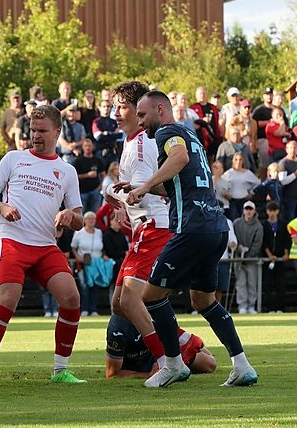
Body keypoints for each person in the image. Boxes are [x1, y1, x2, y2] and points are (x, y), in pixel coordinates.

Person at [121, 90, 256, 389]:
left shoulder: (167, 132)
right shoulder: (190, 135)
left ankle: (173, 364)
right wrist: (137, 185)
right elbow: (176, 187)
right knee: (203, 300)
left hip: (191, 228)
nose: (140, 122)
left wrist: (143, 187)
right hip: (215, 227)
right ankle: (242, 365)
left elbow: (178, 159)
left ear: (160, 109)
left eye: (142, 115)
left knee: (150, 297)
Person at [0, 104, 86, 389]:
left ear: (57, 131)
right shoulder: (13, 158)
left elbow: (79, 220)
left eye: (42, 131)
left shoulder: (66, 171)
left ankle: (60, 369)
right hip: (13, 241)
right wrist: (2, 207)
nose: (35, 136)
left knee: (71, 298)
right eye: (32, 130)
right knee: (8, 298)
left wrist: (70, 216)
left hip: (45, 246)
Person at [101, 80, 174, 378]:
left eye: (122, 107)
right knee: (119, 304)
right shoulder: (131, 142)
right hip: (143, 229)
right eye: (114, 107)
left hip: (154, 226)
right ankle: (175, 341)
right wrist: (117, 198)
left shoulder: (143, 143)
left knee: (130, 300)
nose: (116, 113)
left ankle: (167, 361)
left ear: (138, 110)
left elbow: (153, 189)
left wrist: (122, 195)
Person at [105, 315, 216, 379]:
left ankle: (185, 340)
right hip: (140, 366)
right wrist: (148, 375)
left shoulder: (155, 311)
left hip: (161, 355)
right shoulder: (118, 328)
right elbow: (112, 374)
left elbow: (211, 365)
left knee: (209, 363)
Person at [232, 201, 264, 314]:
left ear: (254, 211)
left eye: (251, 209)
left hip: (251, 259)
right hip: (238, 259)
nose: (248, 211)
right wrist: (237, 249)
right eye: (247, 209)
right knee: (240, 283)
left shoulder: (258, 226)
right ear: (243, 210)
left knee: (251, 283)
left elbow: (257, 245)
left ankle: (251, 306)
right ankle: (242, 306)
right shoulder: (236, 223)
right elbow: (233, 239)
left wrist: (247, 256)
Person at [74, 137, 104, 214]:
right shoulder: (78, 161)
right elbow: (74, 177)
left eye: (89, 146)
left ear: (93, 147)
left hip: (95, 191)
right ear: (83, 147)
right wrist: (87, 175)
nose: (88, 147)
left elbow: (103, 174)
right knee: (82, 215)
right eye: (86, 146)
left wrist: (100, 187)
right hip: (82, 192)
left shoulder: (97, 160)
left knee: (95, 214)